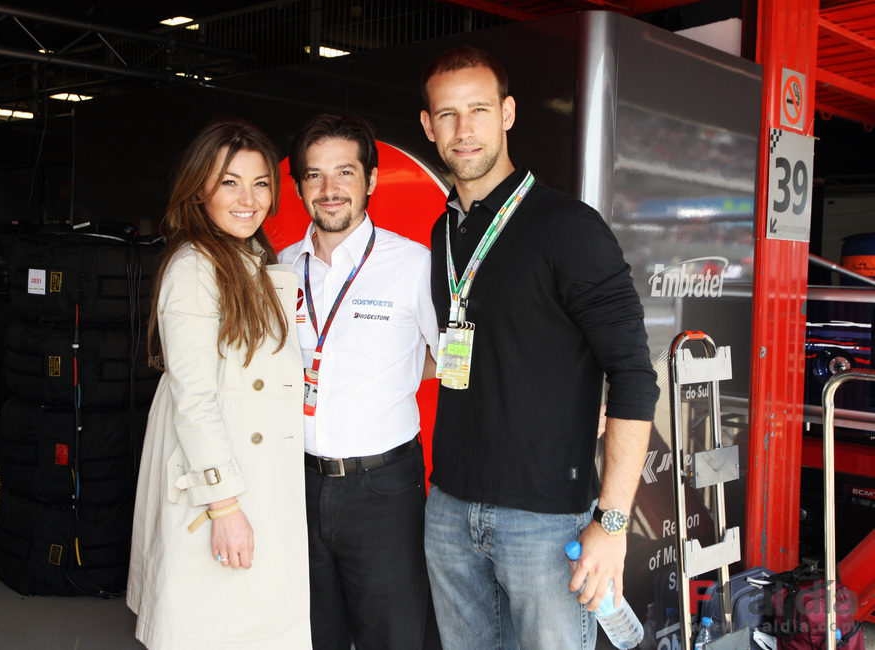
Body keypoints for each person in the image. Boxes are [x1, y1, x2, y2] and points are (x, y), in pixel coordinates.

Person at [419, 45, 660, 649]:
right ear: (428, 127)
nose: (463, 129)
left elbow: (633, 375)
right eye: (447, 115)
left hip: (547, 521)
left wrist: (611, 523)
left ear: (507, 113)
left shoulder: (569, 229)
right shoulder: (444, 230)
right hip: (449, 506)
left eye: (478, 109)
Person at [127, 118, 310, 649]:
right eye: (229, 182)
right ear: (199, 189)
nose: (248, 198)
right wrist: (224, 508)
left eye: (259, 182)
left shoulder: (252, 258)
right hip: (218, 487)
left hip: (255, 478)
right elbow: (194, 399)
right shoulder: (195, 267)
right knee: (214, 628)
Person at [279, 113, 439, 649]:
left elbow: (452, 360)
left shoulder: (414, 265)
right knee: (308, 633)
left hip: (384, 491)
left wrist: (391, 376)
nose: (329, 190)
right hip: (295, 484)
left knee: (392, 637)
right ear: (299, 185)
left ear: (370, 180)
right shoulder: (278, 271)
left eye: (345, 173)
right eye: (314, 175)